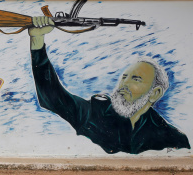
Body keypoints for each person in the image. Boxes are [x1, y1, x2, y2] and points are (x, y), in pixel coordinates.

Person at [29, 16, 190, 154]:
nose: (124, 84)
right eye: (124, 77)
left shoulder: (173, 139)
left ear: (155, 93)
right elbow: (52, 97)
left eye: (136, 79)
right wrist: (37, 41)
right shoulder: (95, 112)